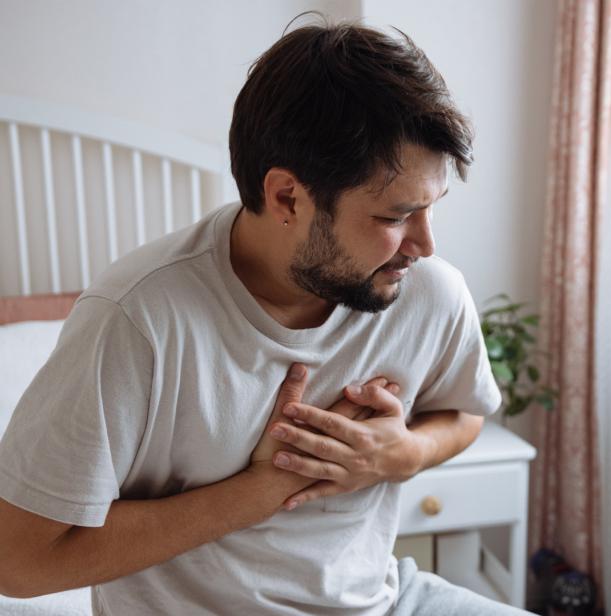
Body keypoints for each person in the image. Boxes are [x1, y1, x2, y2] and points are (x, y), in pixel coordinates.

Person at [0, 17, 536, 616]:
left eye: (431, 208)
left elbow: (461, 412)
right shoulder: (136, 319)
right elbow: (19, 563)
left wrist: (399, 455)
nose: (425, 244)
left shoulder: (427, 290)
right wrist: (265, 489)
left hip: (384, 601)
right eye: (394, 217)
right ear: (287, 197)